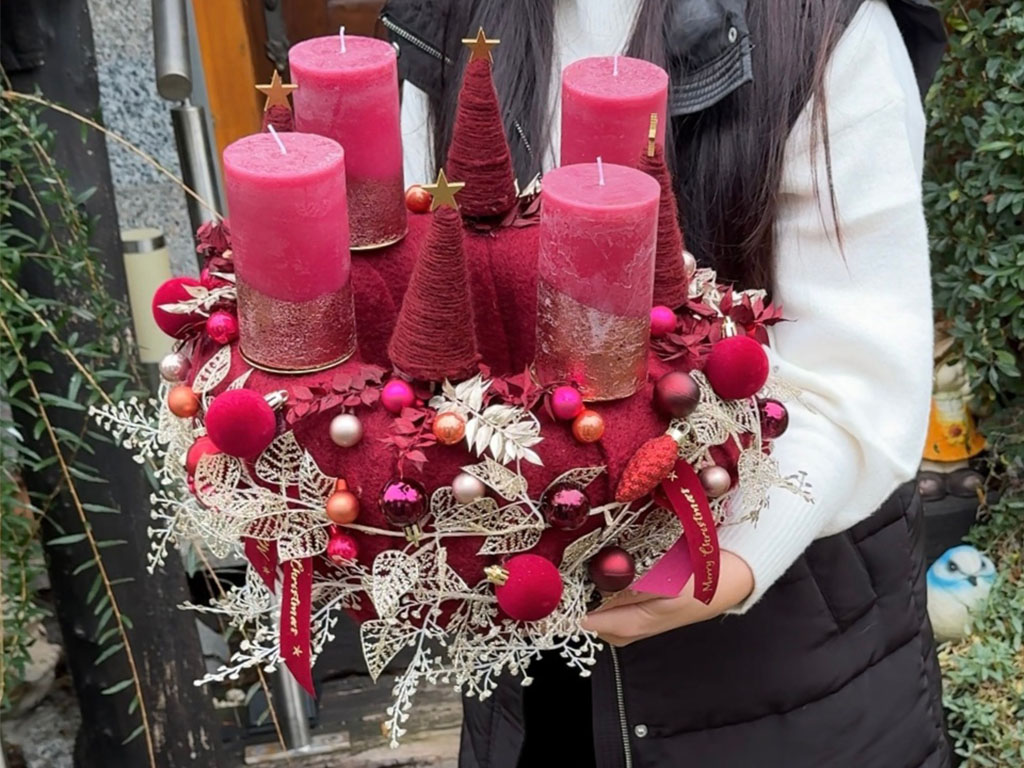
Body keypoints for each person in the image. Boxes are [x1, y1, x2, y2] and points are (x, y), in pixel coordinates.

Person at [381, 1, 950, 766]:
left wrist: (733, 558)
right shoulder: (450, 19)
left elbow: (856, 374)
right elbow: (425, 284)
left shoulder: (818, 27)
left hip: (778, 645)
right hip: (529, 635)